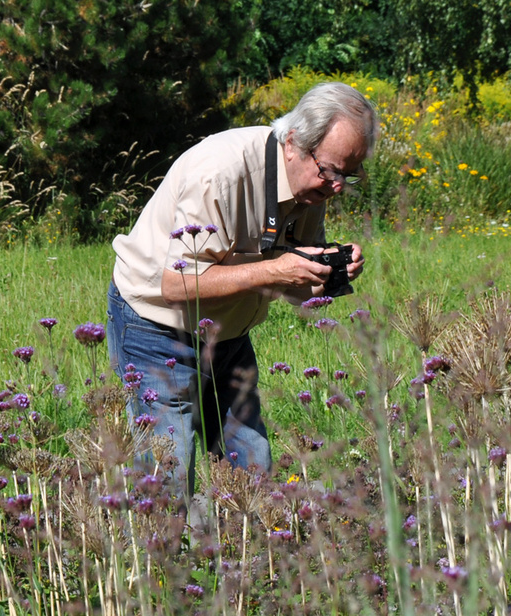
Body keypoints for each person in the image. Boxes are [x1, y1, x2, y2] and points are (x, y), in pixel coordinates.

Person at [107, 82, 377, 498]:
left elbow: (293, 286)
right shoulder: (221, 173)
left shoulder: (313, 184)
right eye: (332, 171)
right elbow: (178, 283)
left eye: (349, 175)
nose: (337, 187)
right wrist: (275, 270)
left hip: (226, 334)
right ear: (293, 143)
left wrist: (330, 271)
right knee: (167, 481)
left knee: (252, 466)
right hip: (156, 327)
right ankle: (158, 562)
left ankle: (242, 560)